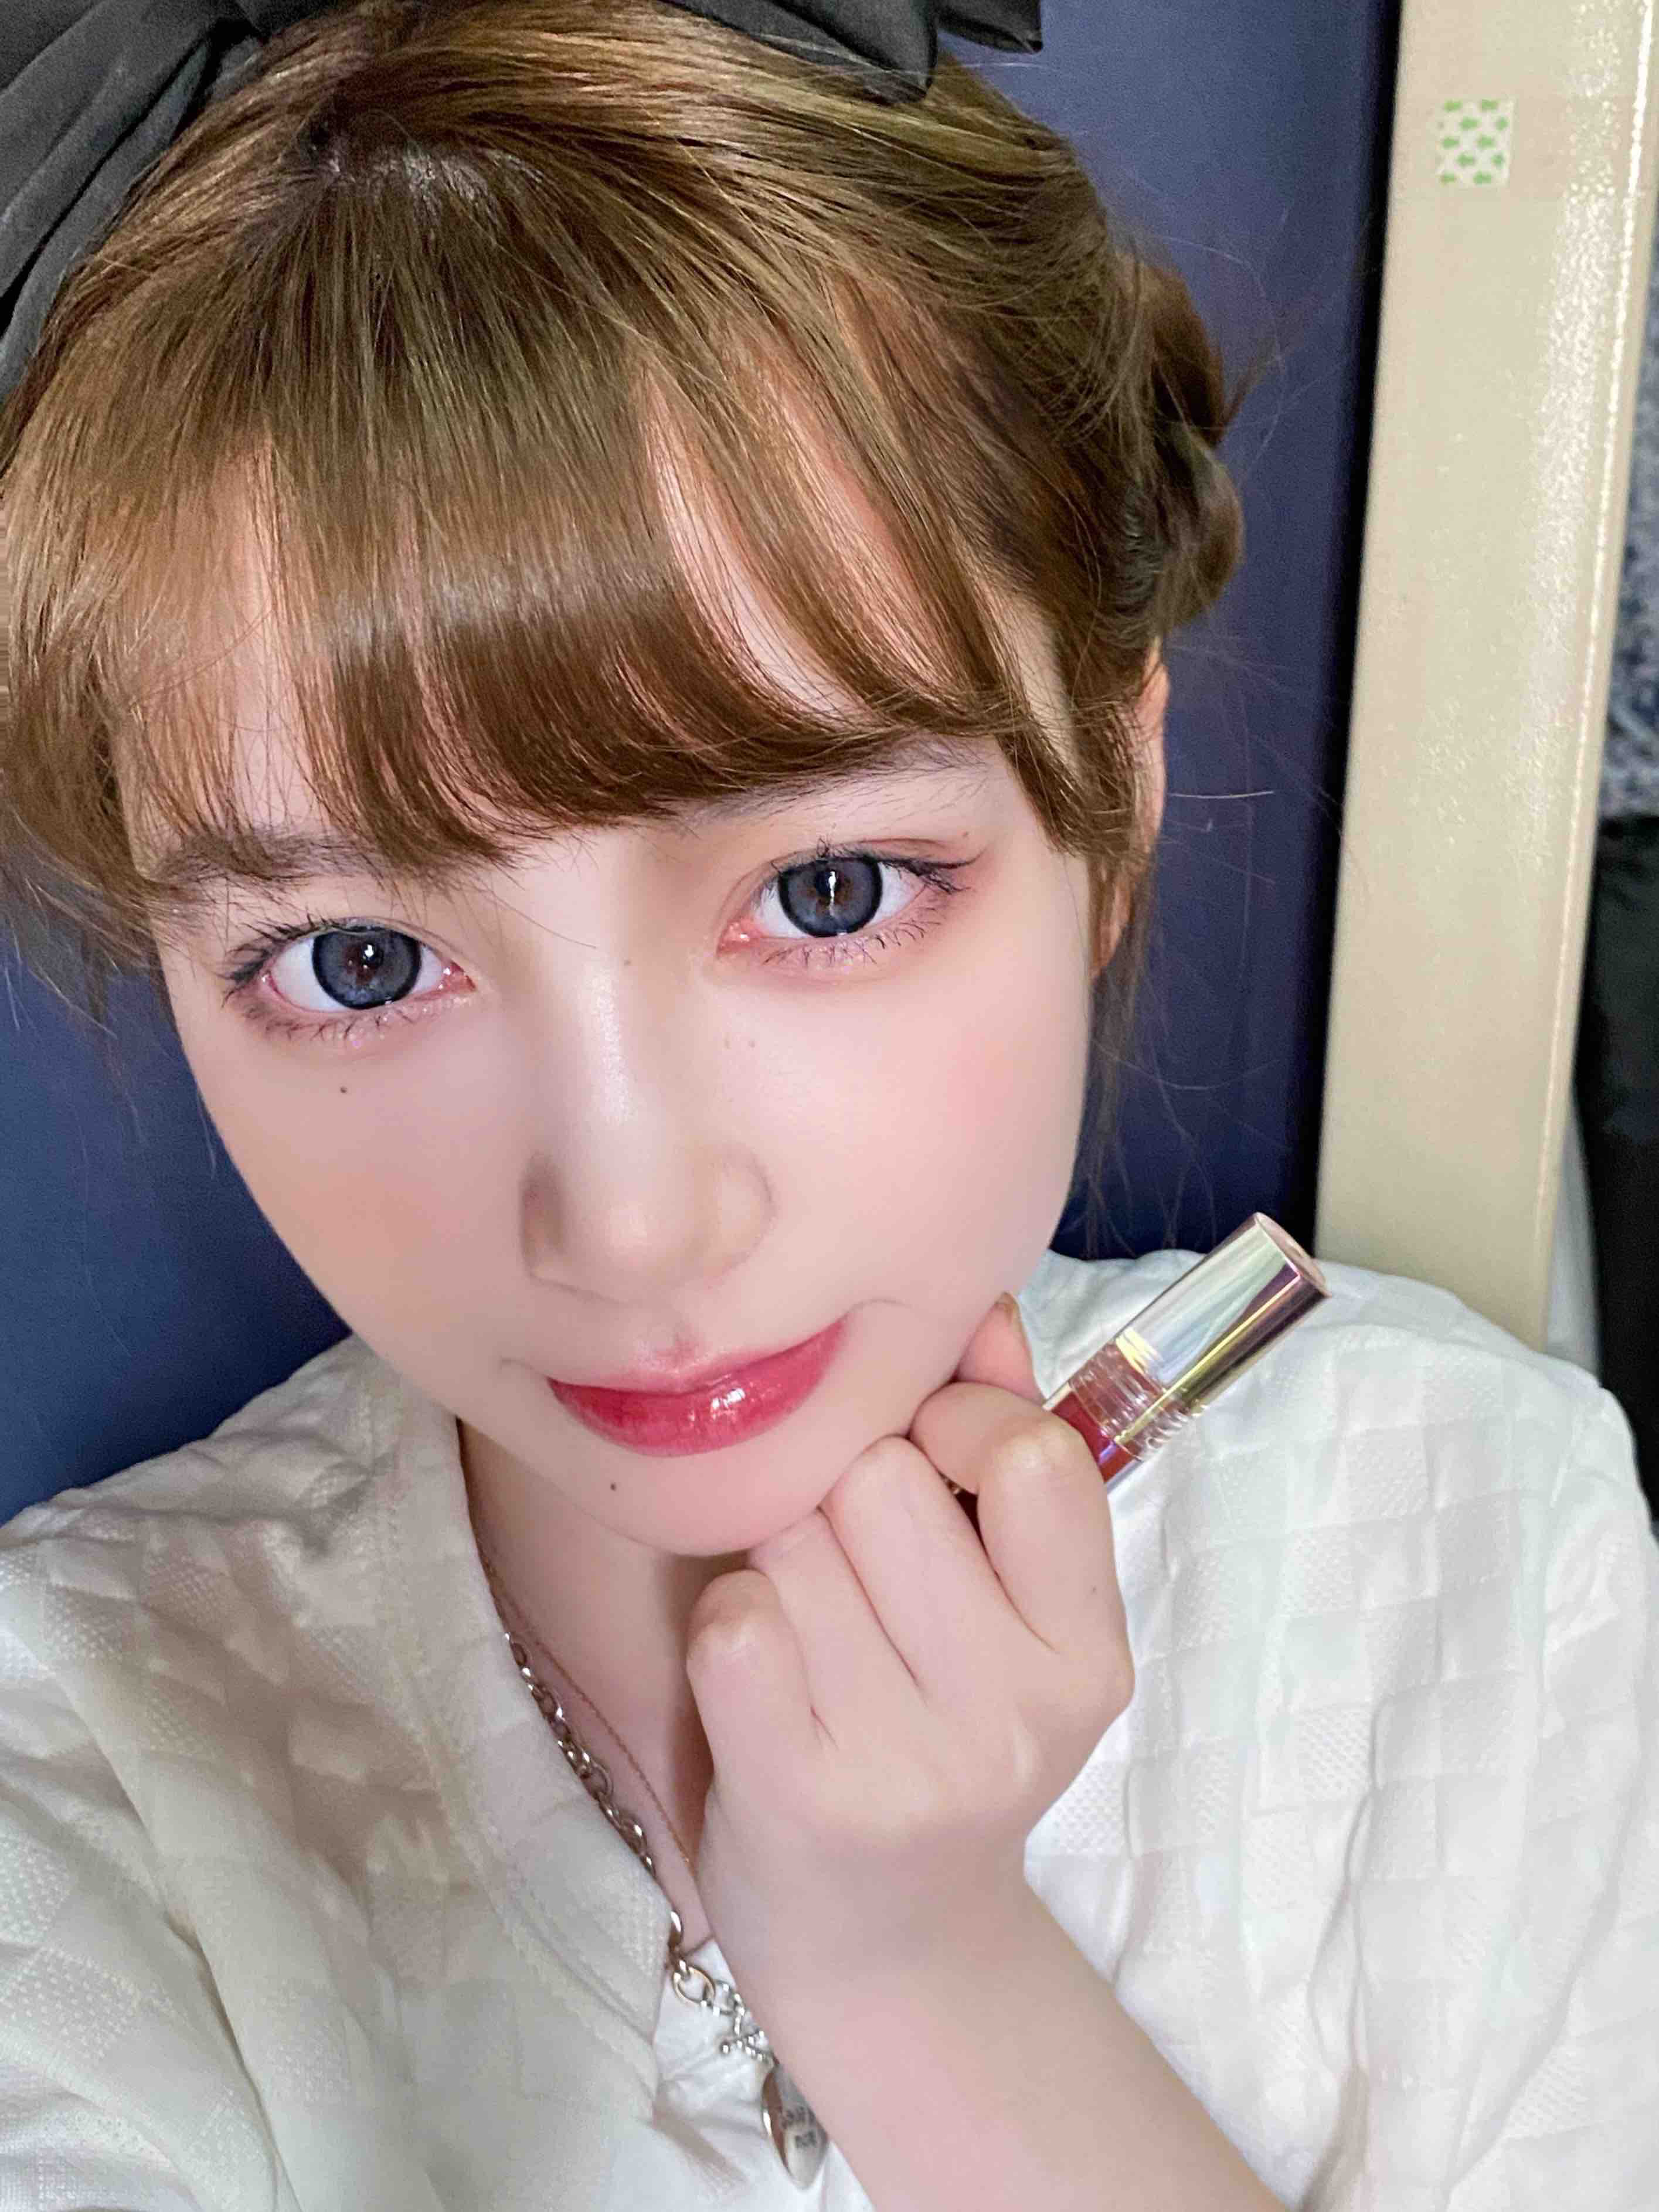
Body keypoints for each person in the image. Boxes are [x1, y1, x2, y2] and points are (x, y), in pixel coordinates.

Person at [0, 2, 1654, 2207]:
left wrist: (915, 1973)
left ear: (1115, 793)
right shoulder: (70, 1759)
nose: (631, 1221)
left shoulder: (1468, 1541)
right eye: (360, 962)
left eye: (829, 889)